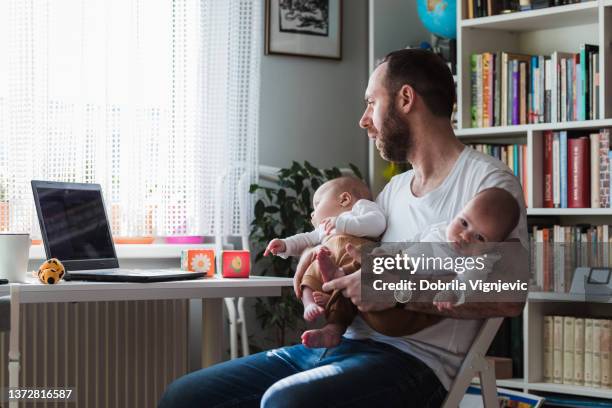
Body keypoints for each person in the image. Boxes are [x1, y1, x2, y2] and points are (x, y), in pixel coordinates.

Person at [158, 48, 528, 408]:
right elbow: (355, 256)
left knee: (285, 402)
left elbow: (509, 294)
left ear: (405, 99)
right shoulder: (395, 190)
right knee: (185, 396)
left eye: (371, 103)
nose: (364, 119)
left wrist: (397, 291)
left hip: (414, 362)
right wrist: (316, 260)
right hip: (342, 342)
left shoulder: (489, 186)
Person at [264, 176, 441, 348]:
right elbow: (306, 239)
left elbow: (376, 224)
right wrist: (285, 245)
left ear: (345, 199)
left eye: (317, 204)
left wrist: (341, 224)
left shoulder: (362, 207)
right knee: (310, 273)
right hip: (329, 257)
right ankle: (312, 306)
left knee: (353, 281)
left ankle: (334, 323)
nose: (312, 213)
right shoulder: (324, 229)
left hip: (357, 255)